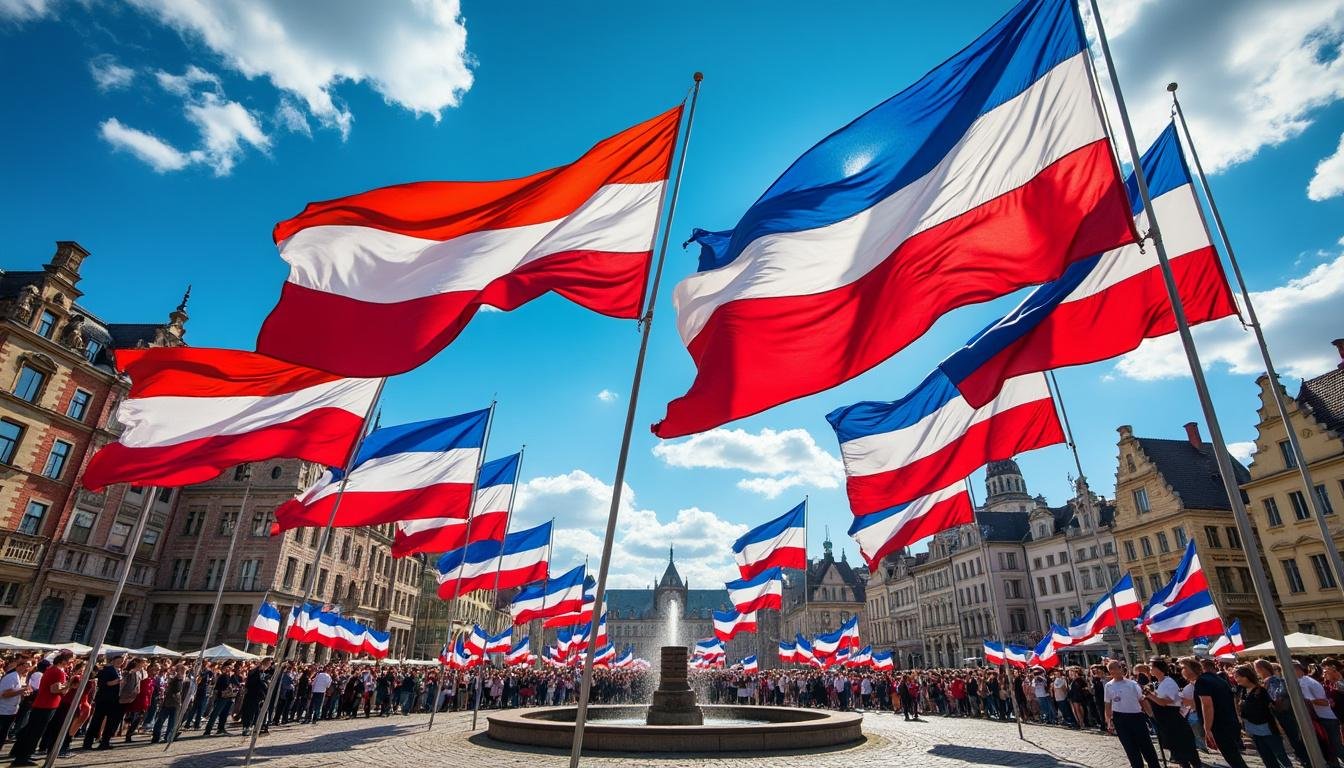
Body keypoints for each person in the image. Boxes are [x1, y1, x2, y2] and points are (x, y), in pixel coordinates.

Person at [1184, 656, 1248, 768]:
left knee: (1233, 758)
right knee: (1234, 756)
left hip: (1219, 725)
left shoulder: (1202, 681)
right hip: (1228, 721)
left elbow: (1207, 705)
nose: (1182, 671)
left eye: (1184, 668)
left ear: (1190, 669)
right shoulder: (1214, 678)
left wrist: (1207, 728)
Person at [10, 650, 71, 767]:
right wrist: (68, 685)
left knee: (31, 729)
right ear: (63, 661)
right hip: (47, 705)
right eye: (69, 661)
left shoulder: (51, 669)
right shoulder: (57, 672)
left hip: (42, 704)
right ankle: (23, 757)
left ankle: (20, 753)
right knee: (35, 732)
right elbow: (54, 689)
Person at [1145, 658, 1201, 768]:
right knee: (1177, 750)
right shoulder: (1160, 683)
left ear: (1158, 669)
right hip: (1165, 721)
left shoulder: (1168, 682)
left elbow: (1165, 702)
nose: (1150, 669)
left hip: (1173, 720)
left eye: (1152, 667)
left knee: (1184, 748)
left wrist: (1149, 695)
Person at [1233, 663, 1292, 768]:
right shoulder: (1242, 691)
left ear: (1246, 677)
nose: (1236, 679)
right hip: (1254, 730)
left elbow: (1269, 709)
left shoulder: (1261, 691)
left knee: (1280, 755)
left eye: (1238, 677)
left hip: (1267, 729)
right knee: (1266, 756)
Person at [1104, 660, 1160, 768]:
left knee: (1146, 745)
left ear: (1121, 668)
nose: (1113, 671)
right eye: (1110, 669)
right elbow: (1107, 703)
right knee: (1130, 748)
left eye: (1115, 668)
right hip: (1119, 718)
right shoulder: (1108, 686)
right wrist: (1108, 721)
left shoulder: (1132, 684)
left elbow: (1142, 700)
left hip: (1136, 716)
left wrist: (1151, 715)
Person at [1296, 660, 1343, 768]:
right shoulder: (1324, 683)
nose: (1324, 673)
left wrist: (1328, 702)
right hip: (1330, 716)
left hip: (1332, 717)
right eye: (1324, 670)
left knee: (1336, 746)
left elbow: (1324, 700)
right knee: (1331, 745)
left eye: (1327, 671)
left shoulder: (1337, 683)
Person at [82, 654, 125, 751]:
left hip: (114, 700)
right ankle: (88, 742)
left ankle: (105, 742)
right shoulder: (106, 670)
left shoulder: (119, 670)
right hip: (104, 699)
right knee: (97, 720)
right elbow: (103, 683)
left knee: (110, 722)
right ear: (113, 660)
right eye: (119, 660)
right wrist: (117, 681)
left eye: (122, 661)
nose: (121, 662)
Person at [0, 657, 32, 746]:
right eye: (27, 666)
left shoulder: (19, 676)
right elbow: (4, 694)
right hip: (3, 711)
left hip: (10, 711)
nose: (28, 668)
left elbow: (14, 692)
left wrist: (23, 693)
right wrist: (21, 690)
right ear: (19, 666)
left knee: (3, 736)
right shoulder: (12, 677)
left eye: (30, 666)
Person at [151, 662, 183, 743]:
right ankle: (161, 737)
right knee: (165, 720)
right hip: (172, 702)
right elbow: (177, 690)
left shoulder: (175, 678)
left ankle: (165, 737)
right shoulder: (176, 678)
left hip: (171, 702)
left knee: (167, 721)